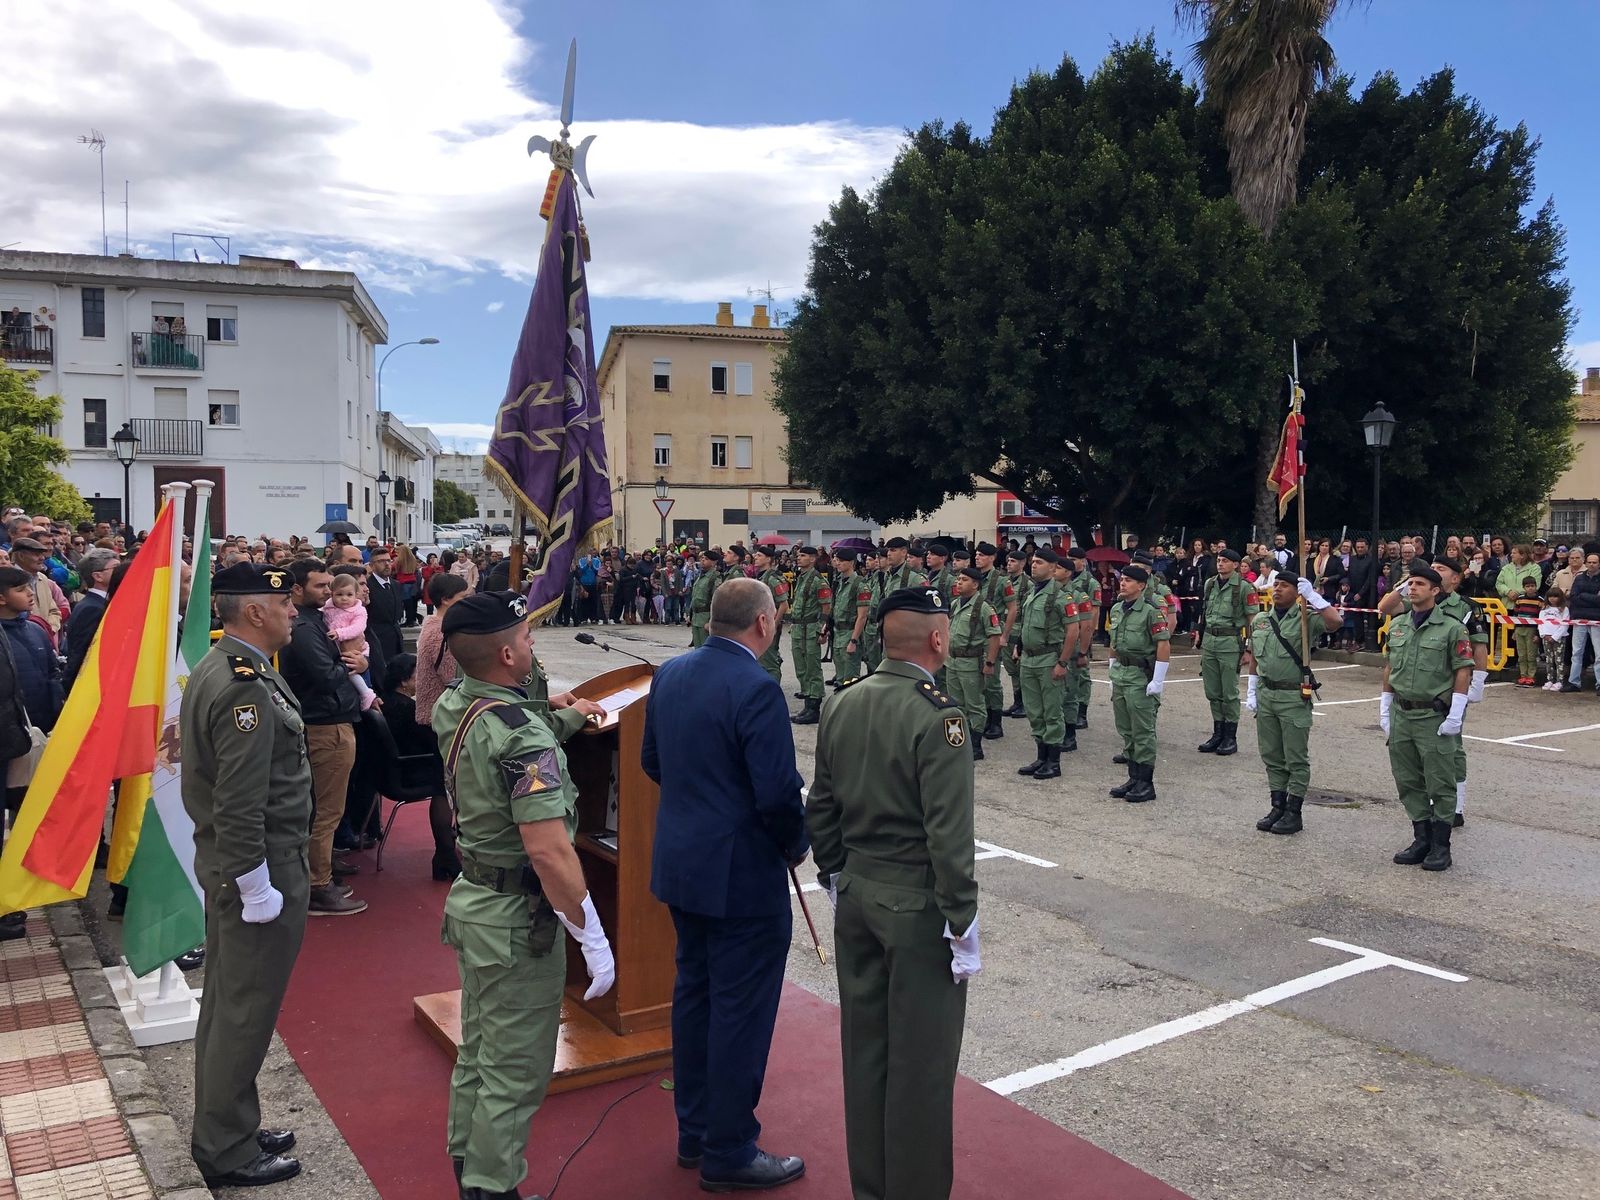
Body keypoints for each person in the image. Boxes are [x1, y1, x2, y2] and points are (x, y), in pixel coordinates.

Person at [433, 591, 617, 1198]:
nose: (534, 646)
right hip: (518, 922)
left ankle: (470, 1167)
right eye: (529, 640)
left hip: (477, 906)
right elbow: (548, 850)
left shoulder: (457, 704)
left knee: (480, 1053)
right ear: (509, 653)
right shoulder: (520, 737)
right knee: (516, 1069)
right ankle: (493, 1186)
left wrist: (561, 715)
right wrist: (589, 932)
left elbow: (505, 722)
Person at [806, 586, 979, 1200]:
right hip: (917, 907)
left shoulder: (843, 701)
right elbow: (950, 836)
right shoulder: (940, 716)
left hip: (856, 895)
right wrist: (962, 919)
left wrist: (836, 875)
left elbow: (820, 806)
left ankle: (872, 1188)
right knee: (923, 1068)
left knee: (867, 1053)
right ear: (937, 638)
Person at [640, 578, 807, 1192]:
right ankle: (730, 1147)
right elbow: (777, 794)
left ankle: (695, 1131)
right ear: (763, 624)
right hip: (741, 875)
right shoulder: (757, 688)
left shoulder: (672, 673)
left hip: (684, 864)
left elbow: (652, 763)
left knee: (696, 997)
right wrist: (795, 844)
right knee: (740, 1009)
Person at [181, 563, 309, 1189]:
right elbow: (238, 799)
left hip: (237, 862)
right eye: (282, 602)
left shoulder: (228, 666)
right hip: (258, 865)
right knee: (244, 1010)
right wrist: (256, 882)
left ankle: (226, 1120)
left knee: (228, 1004)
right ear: (254, 612)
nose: (292, 611)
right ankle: (226, 1149)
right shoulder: (244, 686)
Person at [277, 559, 367, 916]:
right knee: (326, 809)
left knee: (329, 805)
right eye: (320, 586)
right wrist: (354, 666)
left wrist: (357, 662)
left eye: (331, 585)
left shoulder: (316, 620)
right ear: (297, 589)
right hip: (324, 723)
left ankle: (323, 866)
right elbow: (326, 675)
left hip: (333, 717)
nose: (329, 592)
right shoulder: (304, 626)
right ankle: (317, 884)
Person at [1380, 565, 1473, 872]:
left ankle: (1441, 846)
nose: (1413, 588)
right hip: (1402, 712)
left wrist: (1456, 711)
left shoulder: (1451, 627)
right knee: (1407, 780)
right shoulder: (1399, 625)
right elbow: (1390, 667)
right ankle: (1421, 838)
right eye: (1410, 583)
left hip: (1432, 715)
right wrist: (1385, 705)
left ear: (1435, 590)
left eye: (1420, 584)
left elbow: (1463, 669)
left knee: (1439, 782)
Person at [1244, 573, 1342, 835]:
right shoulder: (1262, 620)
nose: (1277, 589)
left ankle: (1293, 811)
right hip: (1267, 694)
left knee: (1295, 758)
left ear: (1296, 592)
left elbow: (1335, 621)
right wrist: (1251, 690)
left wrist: (1312, 596)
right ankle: (1277, 806)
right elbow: (1255, 658)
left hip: (1292, 696)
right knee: (1272, 755)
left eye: (1284, 586)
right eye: (1276, 584)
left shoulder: (1305, 619)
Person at [1107, 564, 1171, 804]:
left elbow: (1163, 645)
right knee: (1126, 729)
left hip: (1140, 676)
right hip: (1121, 674)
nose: (1122, 583)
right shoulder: (1116, 609)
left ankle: (1146, 783)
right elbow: (1114, 640)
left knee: (1143, 731)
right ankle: (1133, 778)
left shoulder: (1151, 612)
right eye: (1121, 579)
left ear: (1141, 585)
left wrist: (1158, 680)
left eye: (1128, 580)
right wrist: (1112, 670)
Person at [1015, 548, 1069, 780]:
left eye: (1039, 562)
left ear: (1053, 567)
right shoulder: (1031, 592)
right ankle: (1041, 756)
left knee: (1051, 712)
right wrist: (1019, 645)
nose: (1033, 565)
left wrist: (1063, 662)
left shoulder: (1060, 595)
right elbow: (1026, 622)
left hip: (1048, 659)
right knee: (1034, 710)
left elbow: (1073, 630)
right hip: (1029, 658)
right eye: (1033, 561)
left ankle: (1053, 762)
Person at [1196, 549, 1251, 757]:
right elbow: (1204, 612)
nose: (1220, 564)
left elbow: (1252, 619)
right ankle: (1218, 733)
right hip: (1210, 641)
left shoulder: (1244, 588)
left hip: (1230, 642)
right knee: (1212, 691)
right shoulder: (1210, 584)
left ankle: (1230, 737)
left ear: (1236, 565)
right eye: (1219, 560)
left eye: (1225, 561)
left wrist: (1249, 648)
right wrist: (1199, 636)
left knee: (1229, 692)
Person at [945, 566, 1002, 762]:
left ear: (975, 584)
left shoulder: (984, 607)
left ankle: (976, 746)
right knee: (955, 704)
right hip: (952, 661)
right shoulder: (955, 604)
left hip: (971, 662)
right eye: (958, 579)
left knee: (974, 704)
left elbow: (994, 636)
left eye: (964, 580)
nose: (958, 582)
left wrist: (990, 662)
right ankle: (959, 741)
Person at [416, 573, 470, 726]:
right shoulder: (440, 634)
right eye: (462, 598)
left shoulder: (436, 626)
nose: (467, 603)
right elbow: (454, 677)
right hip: (441, 718)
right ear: (445, 599)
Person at [322, 573, 379, 712]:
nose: (344, 598)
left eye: (349, 594)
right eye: (339, 594)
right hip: (338, 649)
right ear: (332, 594)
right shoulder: (327, 608)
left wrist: (340, 634)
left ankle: (367, 694)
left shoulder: (359, 610)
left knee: (354, 673)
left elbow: (358, 628)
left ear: (356, 594)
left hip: (358, 650)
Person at [62, 547, 116, 692]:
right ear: (97, 576)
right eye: (115, 568)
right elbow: (81, 653)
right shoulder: (92, 609)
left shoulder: (98, 604)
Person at [788, 546, 830, 725]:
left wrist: (823, 630)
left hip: (811, 627)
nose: (799, 558)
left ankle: (814, 707)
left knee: (812, 667)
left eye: (803, 556)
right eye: (798, 556)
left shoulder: (817, 580)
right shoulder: (802, 578)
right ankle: (807, 703)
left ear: (813, 559)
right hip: (799, 628)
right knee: (801, 666)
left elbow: (826, 607)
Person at [828, 550, 871, 686]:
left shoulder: (859, 585)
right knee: (840, 677)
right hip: (837, 634)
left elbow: (862, 616)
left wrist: (853, 640)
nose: (838, 563)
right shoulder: (839, 582)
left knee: (850, 678)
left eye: (842, 561)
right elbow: (834, 609)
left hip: (850, 633)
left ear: (852, 563)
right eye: (837, 560)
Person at [998, 549, 1033, 720]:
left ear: (1022, 563)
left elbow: (1027, 610)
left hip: (1019, 628)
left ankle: (1024, 703)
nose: (1009, 564)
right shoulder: (1004, 581)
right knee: (1011, 669)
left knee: (1020, 669)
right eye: (1008, 561)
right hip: (1006, 627)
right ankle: (1017, 702)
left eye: (1013, 561)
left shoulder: (1028, 584)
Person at [752, 544, 789, 686]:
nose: (755, 557)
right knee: (761, 659)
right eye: (756, 555)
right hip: (759, 624)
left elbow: (784, 605)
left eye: (759, 555)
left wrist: (772, 625)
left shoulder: (772, 578)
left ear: (768, 559)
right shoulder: (759, 577)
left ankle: (773, 692)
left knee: (770, 662)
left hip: (768, 625)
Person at [1513, 576, 1544, 686]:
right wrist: (1514, 630)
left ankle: (1531, 676)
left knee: (1531, 654)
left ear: (1536, 587)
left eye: (1532, 586)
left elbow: (1542, 618)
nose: (1530, 588)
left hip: (1532, 630)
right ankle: (1523, 675)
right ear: (1523, 587)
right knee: (1521, 654)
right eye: (1527, 586)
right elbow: (1515, 615)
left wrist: (1538, 634)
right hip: (1520, 629)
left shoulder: (1540, 600)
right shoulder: (1520, 599)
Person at [1539, 588, 1569, 691]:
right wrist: (1543, 635)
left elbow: (1564, 625)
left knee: (1559, 660)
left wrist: (1555, 637)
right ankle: (1549, 680)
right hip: (1546, 637)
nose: (1553, 599)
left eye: (1555, 596)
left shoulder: (1564, 609)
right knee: (1549, 660)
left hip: (1559, 638)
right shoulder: (1544, 609)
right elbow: (1540, 622)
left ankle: (1559, 681)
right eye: (1550, 596)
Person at [688, 549, 719, 647]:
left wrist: (711, 621)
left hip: (705, 617)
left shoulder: (714, 577)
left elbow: (716, 601)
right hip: (696, 618)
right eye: (701, 558)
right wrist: (690, 614)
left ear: (713, 562)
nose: (702, 560)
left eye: (706, 559)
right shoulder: (701, 576)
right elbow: (695, 597)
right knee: (697, 648)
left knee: (706, 649)